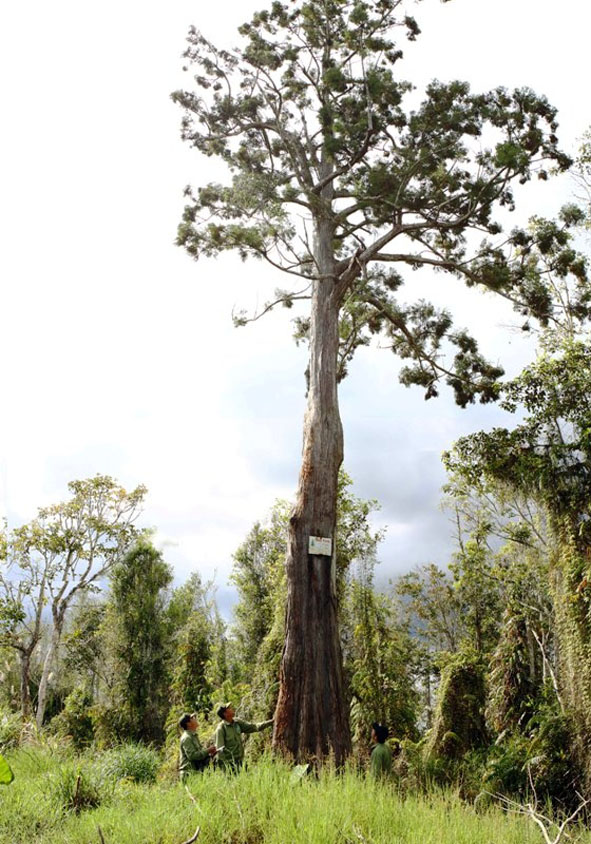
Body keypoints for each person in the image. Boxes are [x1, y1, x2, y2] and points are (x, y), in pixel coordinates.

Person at [214, 703, 273, 772]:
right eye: (229, 709)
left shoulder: (237, 723)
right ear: (225, 714)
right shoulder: (221, 729)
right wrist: (225, 768)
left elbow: (253, 727)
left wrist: (271, 722)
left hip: (240, 761)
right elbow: (220, 750)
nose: (232, 709)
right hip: (230, 764)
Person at [178, 713, 217, 781]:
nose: (195, 719)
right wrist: (207, 751)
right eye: (192, 718)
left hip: (195, 773)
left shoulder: (193, 736)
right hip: (188, 774)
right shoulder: (187, 738)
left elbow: (200, 753)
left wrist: (210, 754)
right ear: (188, 724)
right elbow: (192, 756)